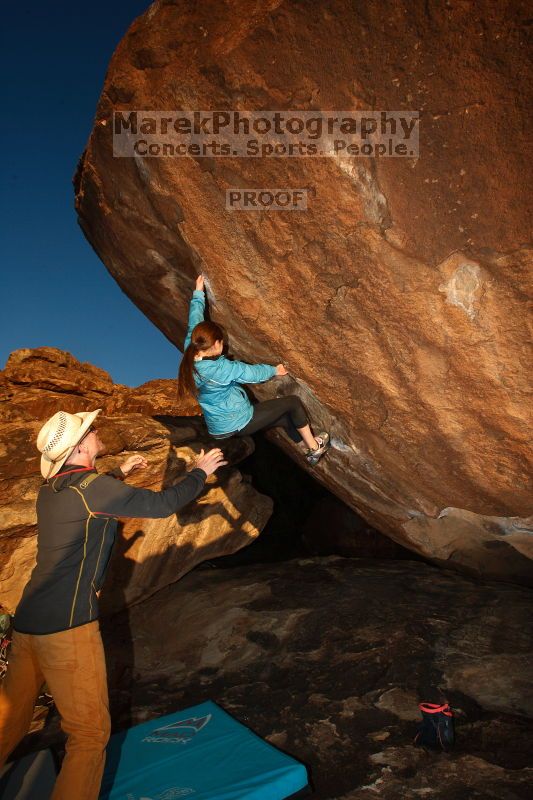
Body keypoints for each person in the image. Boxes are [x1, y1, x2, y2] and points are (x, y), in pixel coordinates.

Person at [0, 408, 226, 800]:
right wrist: (200, 471)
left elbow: (88, 498)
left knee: (11, 718)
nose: (97, 431)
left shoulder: (51, 488)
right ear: (82, 445)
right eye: (90, 430)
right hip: (67, 629)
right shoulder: (92, 489)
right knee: (89, 735)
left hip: (28, 622)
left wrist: (120, 472)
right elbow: (161, 505)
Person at [178, 275, 330, 465]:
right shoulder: (220, 369)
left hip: (218, 426)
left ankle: (304, 444)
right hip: (235, 423)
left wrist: (198, 292)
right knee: (292, 403)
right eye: (221, 343)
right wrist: (275, 370)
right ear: (216, 344)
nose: (223, 345)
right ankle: (315, 449)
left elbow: (195, 321)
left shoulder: (190, 349)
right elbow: (251, 373)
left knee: (283, 419)